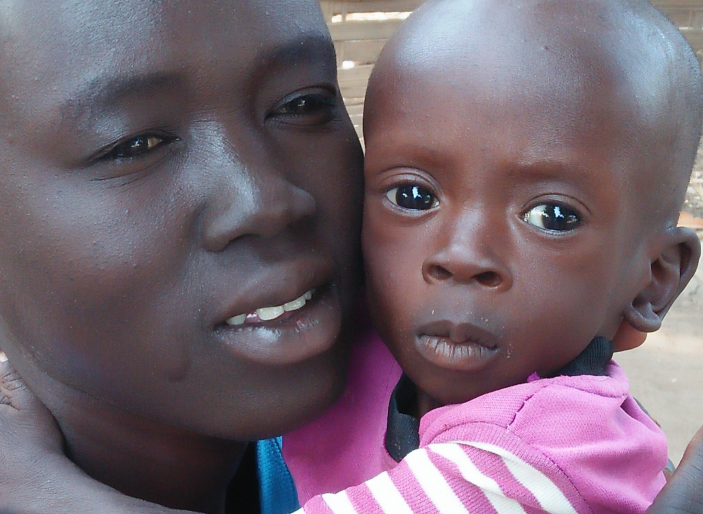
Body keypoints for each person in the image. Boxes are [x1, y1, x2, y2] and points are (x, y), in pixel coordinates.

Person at [0, 0, 703, 513]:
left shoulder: (508, 442)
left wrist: (38, 492)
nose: (267, 200)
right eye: (135, 143)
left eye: (301, 104)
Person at [289, 0, 702, 511]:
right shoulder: (369, 339)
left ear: (653, 279)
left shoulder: (541, 456)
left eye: (553, 216)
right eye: (413, 197)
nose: (462, 256)